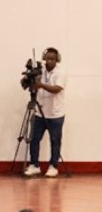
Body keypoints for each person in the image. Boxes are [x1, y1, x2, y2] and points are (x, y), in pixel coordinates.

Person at [25, 46, 66, 177]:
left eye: (52, 59)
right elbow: (30, 84)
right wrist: (28, 80)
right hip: (39, 111)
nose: (49, 61)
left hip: (56, 114)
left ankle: (53, 166)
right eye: (47, 58)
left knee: (55, 141)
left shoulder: (61, 73)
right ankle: (34, 165)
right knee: (34, 139)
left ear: (57, 60)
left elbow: (57, 89)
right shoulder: (39, 70)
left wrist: (41, 85)